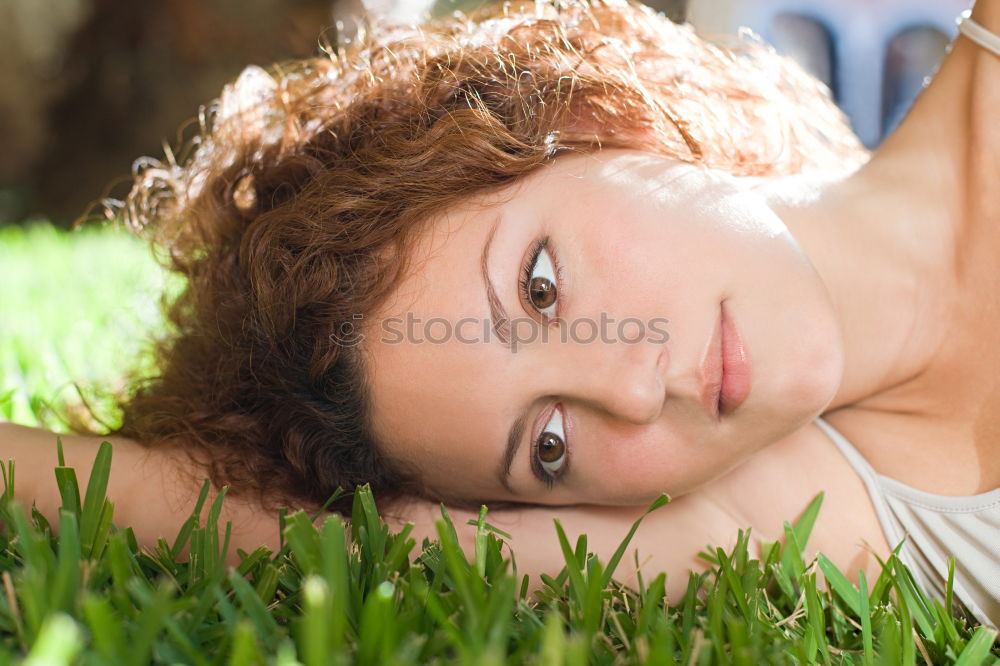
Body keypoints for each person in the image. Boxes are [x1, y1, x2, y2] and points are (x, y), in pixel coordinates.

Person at [2, 0, 998, 629]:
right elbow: (292, 531)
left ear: (586, 124)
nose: (632, 383)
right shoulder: (805, 519)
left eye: (538, 287)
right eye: (549, 446)